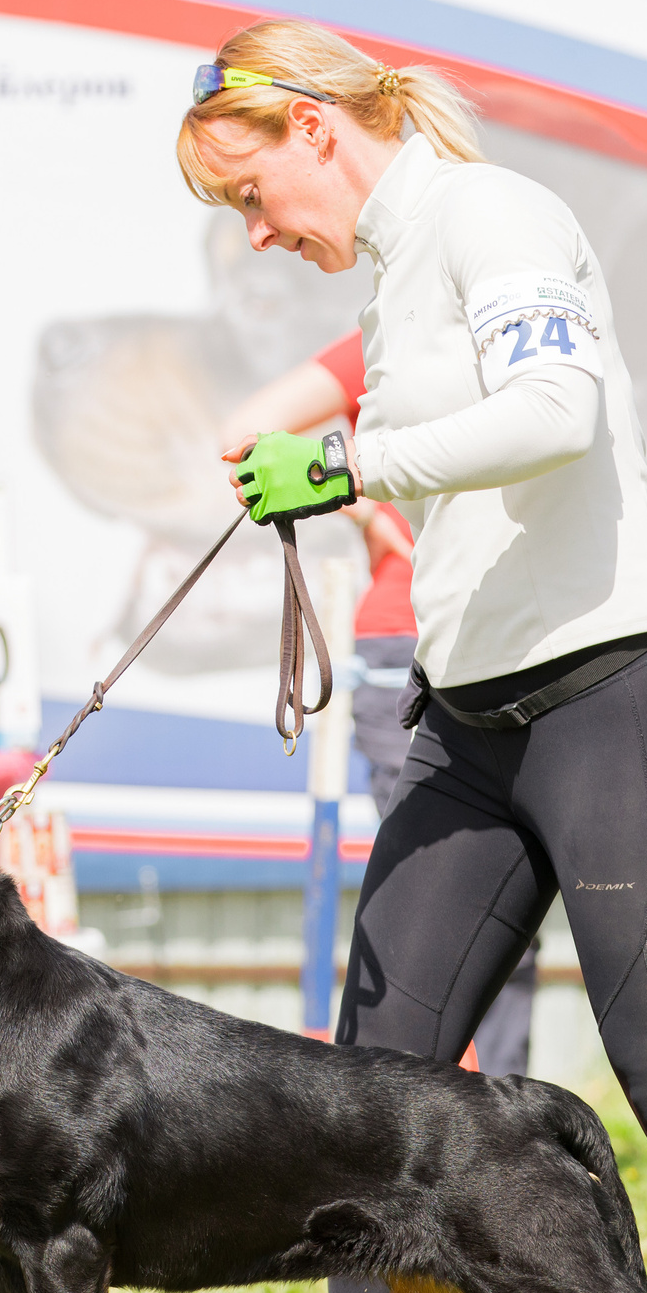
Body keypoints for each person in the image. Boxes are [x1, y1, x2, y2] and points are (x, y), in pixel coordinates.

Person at [179, 18, 647, 1293]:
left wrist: (344, 464)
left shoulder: (495, 214)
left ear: (316, 134)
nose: (263, 237)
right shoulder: (397, 265)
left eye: (257, 197)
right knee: (364, 1087)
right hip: (471, 724)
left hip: (618, 701)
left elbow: (560, 416)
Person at [223, 333, 541, 1077]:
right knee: (437, 913)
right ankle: (445, 1123)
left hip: (512, 638)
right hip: (408, 645)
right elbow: (243, 434)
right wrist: (369, 512)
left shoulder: (510, 332)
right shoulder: (393, 334)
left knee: (509, 919)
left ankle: (497, 1119)